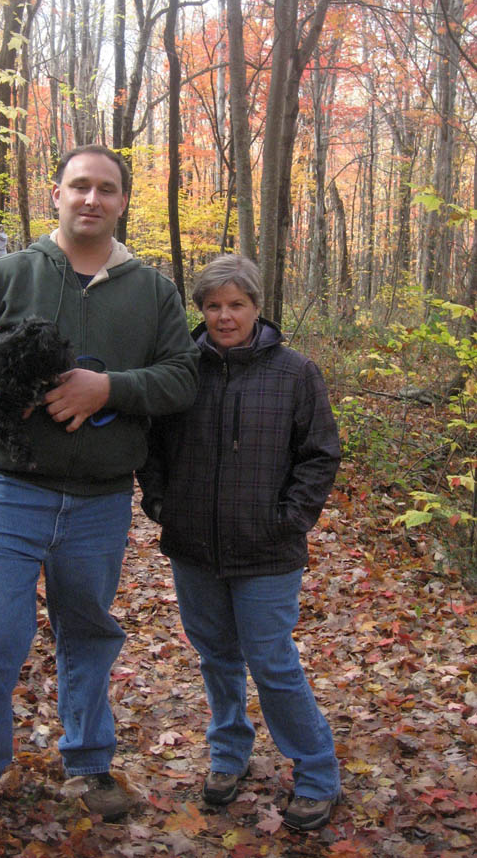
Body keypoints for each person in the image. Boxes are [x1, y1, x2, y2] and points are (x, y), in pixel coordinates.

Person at [0, 145, 199, 847]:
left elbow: (183, 377)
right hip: (4, 490)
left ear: (122, 201)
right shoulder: (7, 275)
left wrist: (109, 388)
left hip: (100, 500)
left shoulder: (152, 292)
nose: (91, 199)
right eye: (79, 186)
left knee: (89, 634)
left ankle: (90, 763)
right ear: (57, 194)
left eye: (106, 188)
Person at [138, 256, 342, 833]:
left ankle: (317, 773)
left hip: (267, 551)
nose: (225, 316)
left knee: (272, 662)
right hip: (193, 547)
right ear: (200, 310)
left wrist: (289, 519)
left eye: (236, 305)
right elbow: (151, 447)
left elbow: (320, 453)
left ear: (256, 307)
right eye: (213, 306)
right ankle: (229, 754)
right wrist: (161, 505)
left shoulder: (295, 373)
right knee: (216, 656)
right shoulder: (181, 370)